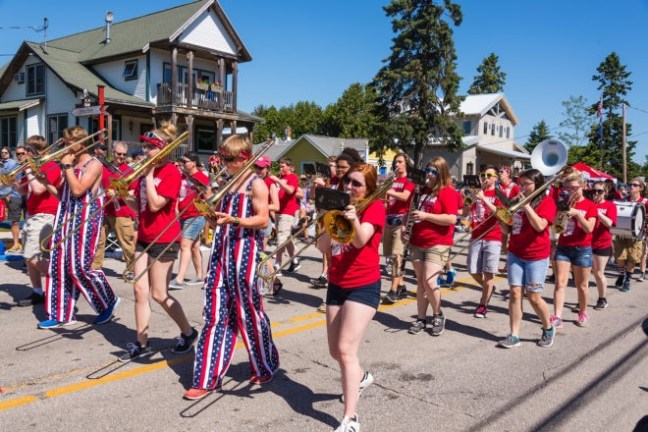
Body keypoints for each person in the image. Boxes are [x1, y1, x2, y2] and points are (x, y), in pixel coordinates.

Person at [183, 135, 279, 400]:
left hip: (246, 255)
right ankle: (206, 379)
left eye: (228, 159)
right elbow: (219, 223)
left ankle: (265, 364)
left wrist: (235, 219)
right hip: (221, 254)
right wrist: (212, 217)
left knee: (250, 313)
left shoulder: (256, 184)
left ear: (243, 158)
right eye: (221, 157)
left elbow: (262, 220)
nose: (222, 163)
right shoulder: (226, 183)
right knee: (214, 316)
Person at [119, 123, 197, 360]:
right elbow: (141, 206)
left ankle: (189, 331)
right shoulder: (144, 173)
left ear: (162, 149)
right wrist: (123, 196)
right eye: (143, 146)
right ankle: (141, 343)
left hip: (164, 238)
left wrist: (150, 175)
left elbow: (156, 204)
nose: (145, 151)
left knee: (159, 294)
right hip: (144, 236)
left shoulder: (171, 172)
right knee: (139, 290)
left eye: (150, 147)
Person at [317, 163, 384, 432]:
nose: (350, 187)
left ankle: (351, 419)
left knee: (346, 350)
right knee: (335, 351)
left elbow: (359, 241)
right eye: (348, 182)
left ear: (367, 188)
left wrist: (352, 217)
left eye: (357, 184)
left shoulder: (375, 207)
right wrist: (326, 218)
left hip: (364, 285)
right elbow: (323, 246)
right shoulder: (337, 208)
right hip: (337, 283)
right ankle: (362, 376)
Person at [39, 126, 119, 329]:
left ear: (81, 143)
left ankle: (107, 301)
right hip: (64, 216)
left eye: (68, 143)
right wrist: (43, 180)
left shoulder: (94, 164)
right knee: (57, 266)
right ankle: (60, 313)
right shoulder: (71, 163)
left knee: (79, 267)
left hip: (84, 220)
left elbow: (78, 191)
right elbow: (63, 195)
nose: (65, 147)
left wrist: (66, 167)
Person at [497, 168, 557, 348]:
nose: (521, 187)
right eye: (520, 183)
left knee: (533, 297)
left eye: (526, 184)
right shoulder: (517, 202)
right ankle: (514, 334)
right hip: (516, 252)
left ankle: (548, 327)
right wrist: (501, 218)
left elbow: (539, 226)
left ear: (537, 184)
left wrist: (526, 205)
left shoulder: (548, 202)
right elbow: (507, 230)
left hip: (536, 255)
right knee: (515, 293)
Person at [406, 157, 458, 336]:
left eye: (434, 171)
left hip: (439, 243)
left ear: (441, 173)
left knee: (429, 280)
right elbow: (412, 213)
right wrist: (407, 230)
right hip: (418, 241)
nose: (429, 174)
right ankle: (421, 318)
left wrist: (425, 216)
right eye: (428, 170)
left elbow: (451, 219)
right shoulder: (421, 191)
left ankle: (438, 314)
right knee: (421, 282)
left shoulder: (448, 192)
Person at [15, 137, 62, 306]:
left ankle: (62, 282)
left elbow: (39, 188)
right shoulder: (32, 167)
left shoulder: (50, 165)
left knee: (32, 255)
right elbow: (24, 190)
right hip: (31, 215)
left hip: (45, 215)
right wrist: (13, 183)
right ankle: (37, 292)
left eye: (26, 151)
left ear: (35, 151)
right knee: (28, 258)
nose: (23, 155)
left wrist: (28, 168)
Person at [550, 170, 597, 328]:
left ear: (583, 186)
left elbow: (589, 228)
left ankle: (583, 312)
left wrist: (577, 214)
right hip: (564, 247)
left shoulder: (590, 205)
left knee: (582, 285)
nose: (572, 191)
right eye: (568, 188)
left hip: (582, 249)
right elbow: (557, 229)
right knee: (560, 283)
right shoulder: (564, 203)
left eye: (575, 188)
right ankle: (557, 316)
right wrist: (561, 216)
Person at [91, 141, 137, 281]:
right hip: (104, 210)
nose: (121, 156)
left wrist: (119, 194)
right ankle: (95, 269)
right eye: (118, 153)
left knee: (127, 245)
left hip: (122, 212)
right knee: (98, 242)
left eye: (124, 154)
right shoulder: (104, 168)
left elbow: (134, 192)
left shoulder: (129, 171)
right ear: (112, 153)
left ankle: (132, 270)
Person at [464, 167, 502, 318]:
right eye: (483, 175)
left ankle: (483, 304)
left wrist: (484, 199)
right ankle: (489, 288)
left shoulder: (499, 194)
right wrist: (470, 200)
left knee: (488, 273)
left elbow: (500, 214)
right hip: (476, 235)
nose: (485, 177)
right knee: (472, 270)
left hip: (493, 237)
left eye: (489, 175)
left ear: (495, 178)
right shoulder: (476, 192)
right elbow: (466, 213)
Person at [169, 151, 210, 289]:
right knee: (194, 247)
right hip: (183, 215)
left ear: (193, 163)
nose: (182, 164)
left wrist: (196, 184)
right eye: (181, 161)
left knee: (185, 246)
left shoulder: (200, 176)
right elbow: (177, 196)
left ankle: (179, 279)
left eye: (185, 161)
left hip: (196, 215)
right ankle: (199, 276)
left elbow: (209, 196)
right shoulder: (180, 176)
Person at [382, 153, 415, 304]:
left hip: (401, 221)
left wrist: (386, 190)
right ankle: (401, 285)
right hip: (388, 220)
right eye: (395, 162)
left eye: (400, 162)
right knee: (389, 257)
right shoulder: (392, 180)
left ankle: (393, 290)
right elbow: (388, 200)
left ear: (406, 164)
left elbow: (404, 197)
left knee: (396, 256)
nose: (397, 164)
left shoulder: (409, 181)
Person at [613, 178, 648, 292]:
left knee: (632, 258)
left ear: (640, 188)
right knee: (619, 257)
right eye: (630, 184)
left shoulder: (645, 202)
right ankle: (622, 274)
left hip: (637, 234)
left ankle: (627, 280)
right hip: (622, 233)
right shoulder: (623, 201)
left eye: (634, 185)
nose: (631, 186)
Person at [270, 158, 301, 275]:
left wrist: (278, 180)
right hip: (279, 211)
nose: (280, 169)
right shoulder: (282, 178)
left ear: (289, 167)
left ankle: (278, 264)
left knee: (281, 238)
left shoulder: (292, 177)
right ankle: (295, 260)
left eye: (283, 166)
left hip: (287, 212)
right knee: (286, 237)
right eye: (280, 166)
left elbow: (291, 190)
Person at [589, 181, 617, 310]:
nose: (596, 193)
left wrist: (597, 212)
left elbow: (610, 223)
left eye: (599, 191)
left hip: (602, 243)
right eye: (594, 191)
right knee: (586, 273)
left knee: (599, 273)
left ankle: (602, 299)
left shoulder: (610, 206)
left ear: (605, 192)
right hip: (587, 243)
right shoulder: (589, 204)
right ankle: (582, 300)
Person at [496, 166, 520, 275]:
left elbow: (520, 199)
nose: (499, 173)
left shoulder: (513, 186)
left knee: (509, 242)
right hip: (499, 214)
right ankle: (508, 260)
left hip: (509, 216)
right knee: (503, 243)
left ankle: (509, 263)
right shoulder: (497, 186)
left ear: (508, 174)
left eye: (502, 172)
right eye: (499, 172)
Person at [0, 146, 24, 253]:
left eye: (6, 152)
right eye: (2, 152)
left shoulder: (12, 164)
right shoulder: (6, 164)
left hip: (27, 195)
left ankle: (25, 243)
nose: (4, 154)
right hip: (15, 195)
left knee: (28, 221)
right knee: (14, 221)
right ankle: (15, 244)